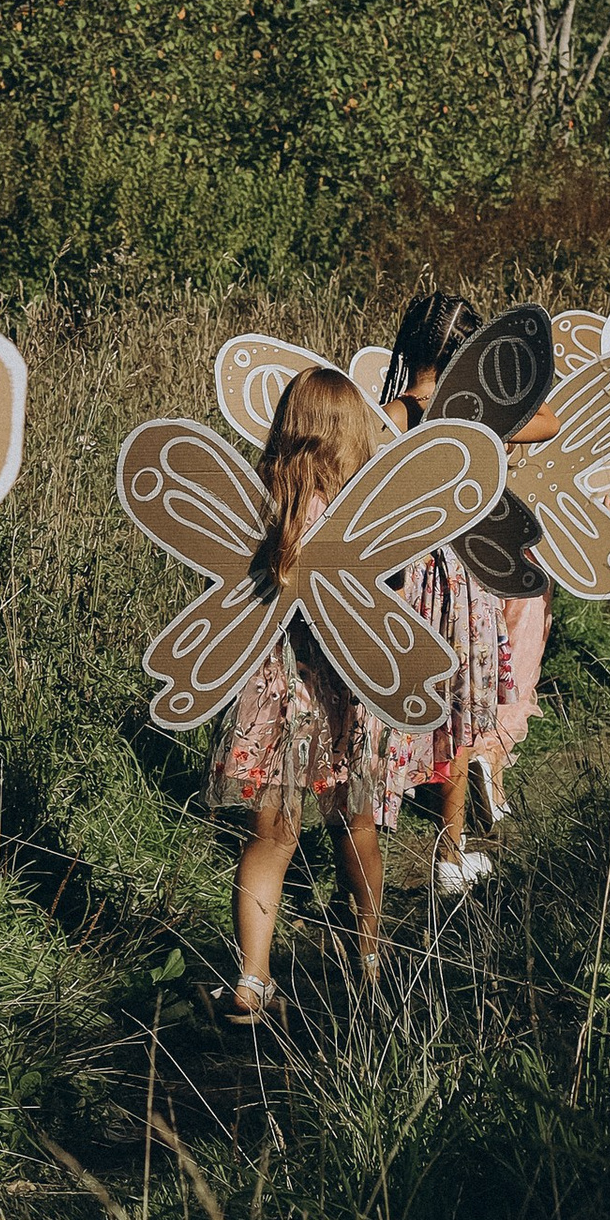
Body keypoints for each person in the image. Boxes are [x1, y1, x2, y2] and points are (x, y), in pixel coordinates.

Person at [212, 365, 413, 1013]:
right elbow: (392, 594)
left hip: (270, 690)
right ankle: (371, 956)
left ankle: (252, 977)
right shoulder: (362, 514)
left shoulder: (255, 503)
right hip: (341, 690)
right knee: (357, 829)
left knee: (271, 839)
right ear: (352, 433)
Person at [373, 292, 512, 897]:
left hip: (404, 581)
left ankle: (364, 851)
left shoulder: (389, 414)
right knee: (458, 712)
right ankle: (450, 853)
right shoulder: (476, 414)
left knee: (389, 714)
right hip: (464, 575)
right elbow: (551, 420)